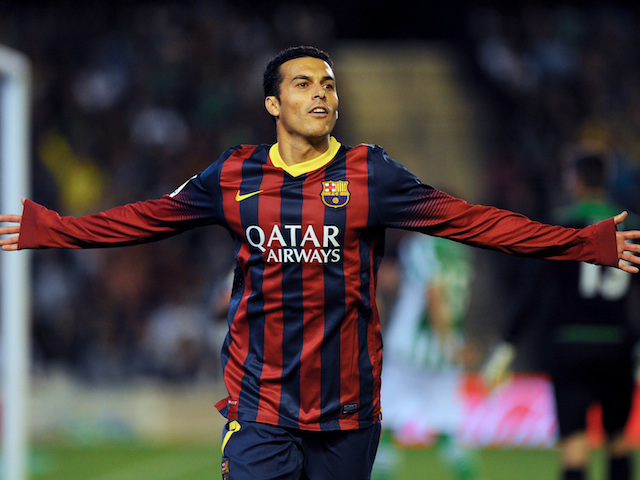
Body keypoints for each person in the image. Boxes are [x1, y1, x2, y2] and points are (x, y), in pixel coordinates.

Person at [2, 45, 640, 480]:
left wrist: (582, 242)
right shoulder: (234, 174)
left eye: (329, 85)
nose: (321, 94)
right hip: (260, 407)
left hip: (348, 414)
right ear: (273, 105)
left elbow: (474, 221)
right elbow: (148, 217)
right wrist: (54, 229)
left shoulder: (372, 174)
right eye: (303, 84)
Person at [483, 150, 639, 480]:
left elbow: (532, 291)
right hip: (618, 346)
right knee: (619, 440)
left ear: (576, 181)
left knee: (574, 444)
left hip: (570, 345)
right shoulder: (632, 225)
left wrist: (507, 344)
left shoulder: (562, 226)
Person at [375, 232, 481, 480]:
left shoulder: (421, 246)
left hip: (409, 349)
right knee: (448, 429)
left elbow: (434, 292)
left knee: (385, 425)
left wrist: (446, 339)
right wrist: (453, 343)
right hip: (445, 357)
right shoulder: (462, 251)